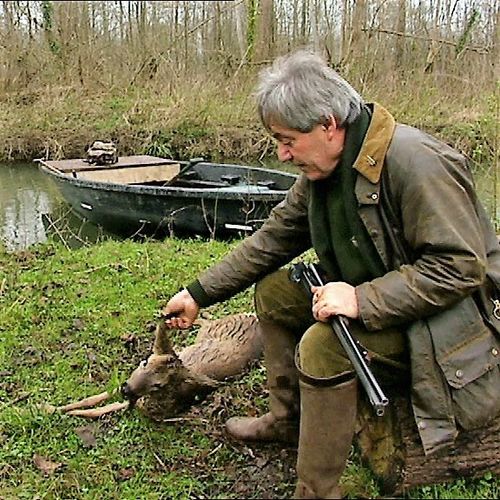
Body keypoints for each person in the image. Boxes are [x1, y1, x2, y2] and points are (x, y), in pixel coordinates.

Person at [163, 49, 500, 499]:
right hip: (398, 298)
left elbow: (460, 268)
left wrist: (363, 300)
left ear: (327, 125)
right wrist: (198, 292)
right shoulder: (326, 170)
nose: (281, 154)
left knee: (324, 346)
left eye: (287, 140)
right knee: (277, 293)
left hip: (453, 323)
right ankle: (289, 420)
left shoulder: (416, 163)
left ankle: (318, 489)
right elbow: (273, 239)